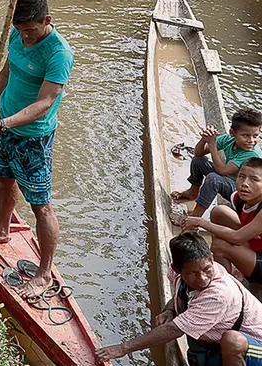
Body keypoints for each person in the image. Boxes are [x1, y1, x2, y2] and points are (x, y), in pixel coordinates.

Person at [0, 0, 73, 299]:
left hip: (33, 136)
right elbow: (6, 72)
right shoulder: (17, 36)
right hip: (5, 126)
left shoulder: (59, 53)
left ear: (47, 21)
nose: (25, 36)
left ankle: (44, 273)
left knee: (42, 206)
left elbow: (45, 102)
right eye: (20, 30)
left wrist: (3, 123)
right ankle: (2, 229)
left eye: (30, 30)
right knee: (3, 179)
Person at [95, 232, 262, 365]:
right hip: (214, 343)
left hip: (255, 346)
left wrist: (124, 348)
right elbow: (180, 293)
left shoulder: (219, 294)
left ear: (211, 258)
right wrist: (170, 309)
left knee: (233, 341)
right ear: (177, 269)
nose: (203, 278)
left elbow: (173, 330)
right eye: (192, 273)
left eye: (206, 269)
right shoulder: (177, 274)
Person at [182, 158, 262, 286]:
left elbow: (237, 237)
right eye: (241, 176)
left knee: (219, 246)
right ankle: (227, 270)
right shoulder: (240, 198)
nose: (245, 183)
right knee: (219, 212)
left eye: (254, 179)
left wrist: (201, 222)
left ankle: (225, 288)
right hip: (255, 245)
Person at [172, 109, 262, 222]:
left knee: (214, 179)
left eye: (255, 136)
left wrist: (212, 144)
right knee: (198, 161)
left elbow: (222, 171)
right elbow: (199, 153)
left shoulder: (252, 154)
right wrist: (204, 139)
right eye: (245, 135)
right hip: (230, 179)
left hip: (242, 189)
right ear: (232, 133)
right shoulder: (228, 139)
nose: (251, 140)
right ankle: (192, 192)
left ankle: (194, 219)